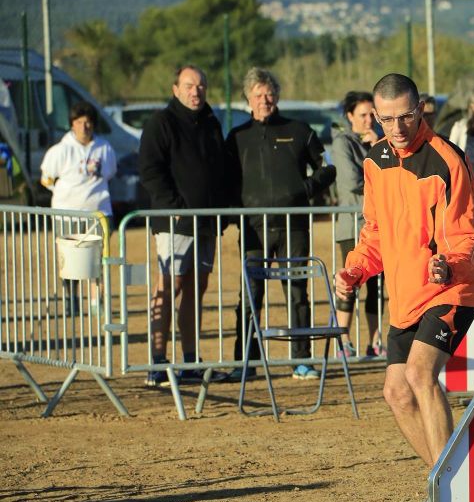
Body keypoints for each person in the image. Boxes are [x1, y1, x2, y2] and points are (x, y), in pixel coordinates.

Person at [334, 73, 474, 502]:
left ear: (420, 109)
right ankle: (455, 478)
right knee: (396, 392)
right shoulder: (375, 160)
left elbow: (466, 234)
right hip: (405, 295)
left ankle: (448, 495)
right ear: (374, 116)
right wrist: (355, 268)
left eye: (405, 116)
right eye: (386, 119)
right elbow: (375, 232)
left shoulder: (446, 160)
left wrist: (449, 265)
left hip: (451, 288)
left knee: (420, 374)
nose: (397, 127)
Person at [226, 67, 336, 381]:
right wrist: (236, 212)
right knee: (250, 294)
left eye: (270, 93)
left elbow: (326, 170)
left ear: (277, 96)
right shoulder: (237, 137)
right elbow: (226, 180)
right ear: (247, 99)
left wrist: (303, 191)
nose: (265, 100)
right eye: (258, 95)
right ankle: (244, 362)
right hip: (253, 229)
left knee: (298, 292)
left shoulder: (300, 130)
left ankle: (302, 360)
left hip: (294, 225)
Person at [139, 65, 229, 386]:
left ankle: (190, 361)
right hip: (174, 223)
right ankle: (157, 363)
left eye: (201, 86)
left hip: (205, 224)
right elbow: (150, 171)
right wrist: (174, 207)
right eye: (190, 86)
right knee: (169, 287)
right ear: (175, 88)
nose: (196, 91)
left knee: (196, 291)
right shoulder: (160, 123)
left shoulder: (210, 123)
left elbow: (219, 170)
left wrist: (223, 212)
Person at [40, 100, 118, 312]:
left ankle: (96, 301)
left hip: (99, 213)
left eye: (89, 122)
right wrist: (61, 192)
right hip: (67, 215)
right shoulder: (60, 150)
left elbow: (110, 173)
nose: (85, 126)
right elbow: (46, 178)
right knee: (70, 261)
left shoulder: (104, 148)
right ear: (72, 124)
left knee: (99, 258)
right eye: (80, 121)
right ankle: (70, 300)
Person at [331, 90, 384, 359]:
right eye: (362, 115)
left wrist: (379, 146)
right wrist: (380, 176)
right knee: (349, 282)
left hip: (379, 225)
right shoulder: (342, 143)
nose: (368, 120)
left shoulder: (380, 140)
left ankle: (375, 340)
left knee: (377, 287)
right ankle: (343, 339)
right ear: (350, 116)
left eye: (372, 114)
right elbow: (352, 181)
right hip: (351, 225)